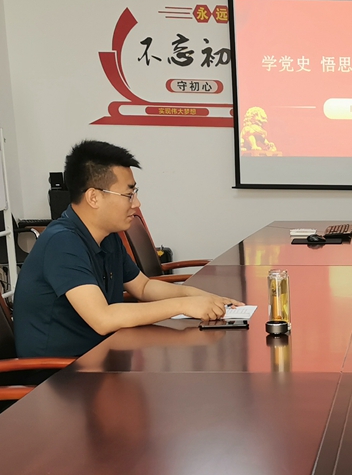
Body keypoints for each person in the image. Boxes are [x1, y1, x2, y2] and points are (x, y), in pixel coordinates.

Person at [13, 140, 241, 358]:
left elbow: (143, 287)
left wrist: (200, 297)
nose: (136, 204)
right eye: (129, 195)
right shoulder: (62, 243)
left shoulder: (108, 237)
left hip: (100, 356)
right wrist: (183, 305)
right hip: (58, 374)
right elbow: (103, 319)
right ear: (94, 197)